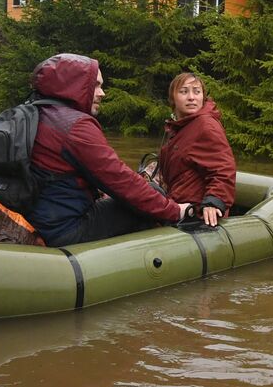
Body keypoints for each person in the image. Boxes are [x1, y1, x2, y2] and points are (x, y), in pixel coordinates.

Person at [25, 53, 190, 246]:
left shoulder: (33, 113)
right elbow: (121, 180)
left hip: (39, 219)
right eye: (95, 85)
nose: (102, 93)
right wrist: (175, 210)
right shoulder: (76, 127)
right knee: (152, 195)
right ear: (73, 85)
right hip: (64, 229)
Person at [154, 71, 236, 227]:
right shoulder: (180, 128)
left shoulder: (206, 126)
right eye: (184, 92)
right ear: (172, 98)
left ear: (203, 97)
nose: (191, 97)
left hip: (197, 213)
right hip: (178, 206)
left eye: (197, 92)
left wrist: (214, 201)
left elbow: (224, 168)